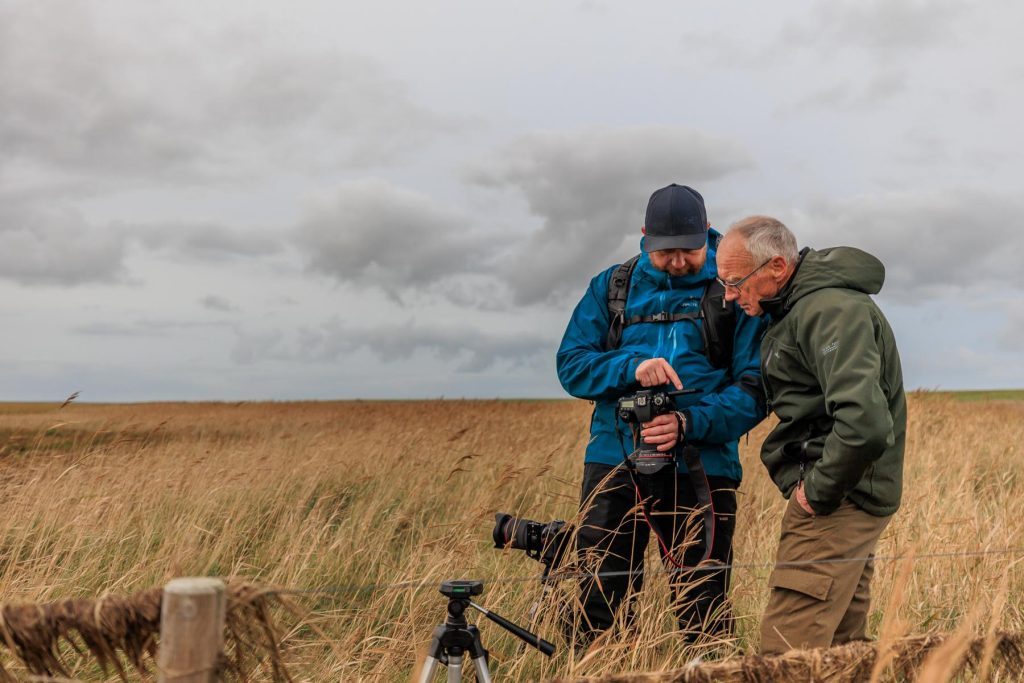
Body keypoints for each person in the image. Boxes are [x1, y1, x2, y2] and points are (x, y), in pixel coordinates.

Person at [556, 184, 766, 643]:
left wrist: (689, 425)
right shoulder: (612, 286)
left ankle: (709, 670)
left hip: (703, 466)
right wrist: (631, 367)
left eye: (687, 251)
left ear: (706, 236)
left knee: (703, 602)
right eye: (664, 251)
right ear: (645, 236)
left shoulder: (732, 289)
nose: (676, 262)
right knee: (598, 598)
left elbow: (756, 388)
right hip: (615, 459)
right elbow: (570, 365)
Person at [715, 215, 906, 654]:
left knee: (784, 657)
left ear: (778, 267)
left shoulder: (828, 311)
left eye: (734, 281)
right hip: (846, 498)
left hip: (836, 503)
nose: (728, 296)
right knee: (843, 654)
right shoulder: (799, 308)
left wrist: (815, 494)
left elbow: (865, 423)